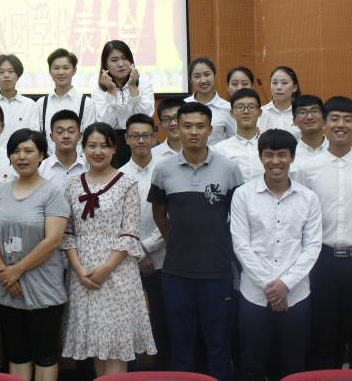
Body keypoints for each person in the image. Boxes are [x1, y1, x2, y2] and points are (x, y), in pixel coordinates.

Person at [149, 102, 243, 379]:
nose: (193, 132)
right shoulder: (163, 169)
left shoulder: (229, 168)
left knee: (219, 345)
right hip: (177, 272)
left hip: (218, 272)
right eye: (187, 126)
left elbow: (238, 216)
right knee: (181, 345)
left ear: (210, 130)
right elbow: (159, 214)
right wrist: (175, 240)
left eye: (200, 126)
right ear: (177, 128)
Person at [295, 96, 352, 370]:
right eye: (334, 119)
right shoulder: (307, 169)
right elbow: (303, 216)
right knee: (325, 336)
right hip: (322, 261)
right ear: (324, 124)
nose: (341, 125)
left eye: (348, 120)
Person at [62, 122, 156, 374]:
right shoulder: (72, 184)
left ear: (114, 149)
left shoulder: (127, 182)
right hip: (83, 274)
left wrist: (106, 269)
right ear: (83, 148)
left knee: (115, 346)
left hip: (118, 272)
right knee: (97, 346)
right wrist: (79, 270)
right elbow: (67, 232)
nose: (98, 151)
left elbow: (130, 232)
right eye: (91, 145)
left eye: (104, 145)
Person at [230, 129, 322, 380]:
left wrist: (285, 284)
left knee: (293, 366)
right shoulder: (243, 195)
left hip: (297, 295)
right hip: (254, 296)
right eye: (269, 155)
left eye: (282, 155)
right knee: (252, 365)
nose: (275, 161)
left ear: (292, 157)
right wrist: (270, 287)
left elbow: (312, 246)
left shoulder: (309, 198)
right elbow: (241, 245)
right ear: (261, 157)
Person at [0, 129, 69, 381]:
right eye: (15, 151)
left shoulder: (52, 193)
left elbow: (53, 240)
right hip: (7, 286)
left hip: (43, 286)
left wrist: (17, 270)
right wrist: (4, 272)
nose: (21, 157)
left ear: (42, 155)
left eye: (28, 151)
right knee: (17, 354)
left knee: (45, 354)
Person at [118, 114, 170, 369]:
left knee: (163, 320)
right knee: (128, 321)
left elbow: (171, 218)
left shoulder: (167, 170)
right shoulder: (118, 176)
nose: (141, 140)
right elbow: (116, 224)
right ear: (127, 139)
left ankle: (163, 370)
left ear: (154, 137)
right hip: (127, 261)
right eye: (135, 136)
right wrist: (139, 254)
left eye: (146, 135)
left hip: (164, 258)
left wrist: (147, 247)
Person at [93, 40, 155, 167]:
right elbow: (105, 123)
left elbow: (146, 117)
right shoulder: (98, 92)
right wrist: (111, 92)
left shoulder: (144, 85)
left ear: (131, 61)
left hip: (139, 139)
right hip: (112, 142)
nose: (121, 64)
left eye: (125, 58)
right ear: (105, 65)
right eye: (114, 60)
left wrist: (133, 88)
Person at [35, 48, 96, 153]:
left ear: (74, 70)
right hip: (48, 161)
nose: (61, 72)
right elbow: (38, 137)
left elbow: (89, 138)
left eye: (66, 68)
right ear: (50, 71)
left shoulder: (87, 103)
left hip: (79, 161)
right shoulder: (41, 104)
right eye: (56, 68)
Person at [0, 54, 37, 150]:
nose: (6, 75)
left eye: (11, 71)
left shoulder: (30, 105)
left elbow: (34, 137)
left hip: (21, 156)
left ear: (18, 76)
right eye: (1, 72)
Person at [216, 88, 264, 183]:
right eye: (240, 107)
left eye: (251, 107)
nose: (246, 111)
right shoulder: (220, 149)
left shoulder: (271, 146)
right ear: (231, 113)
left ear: (260, 112)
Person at [184, 57, 234, 147]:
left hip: (218, 155)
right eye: (197, 76)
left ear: (214, 75)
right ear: (191, 80)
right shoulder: (183, 105)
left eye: (207, 74)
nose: (203, 80)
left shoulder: (227, 108)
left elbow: (233, 140)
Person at [38, 109, 88, 187]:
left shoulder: (88, 167)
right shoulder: (41, 169)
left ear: (80, 136)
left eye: (71, 131)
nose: (66, 136)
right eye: (60, 131)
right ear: (51, 137)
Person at [257, 66, 301, 138]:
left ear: (294, 87)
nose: (278, 87)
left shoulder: (302, 113)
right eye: (274, 83)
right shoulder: (261, 112)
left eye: (284, 83)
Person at [291, 94, 328, 174]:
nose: (309, 117)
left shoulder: (338, 151)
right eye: (302, 112)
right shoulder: (290, 155)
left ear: (324, 117)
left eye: (314, 111)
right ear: (294, 121)